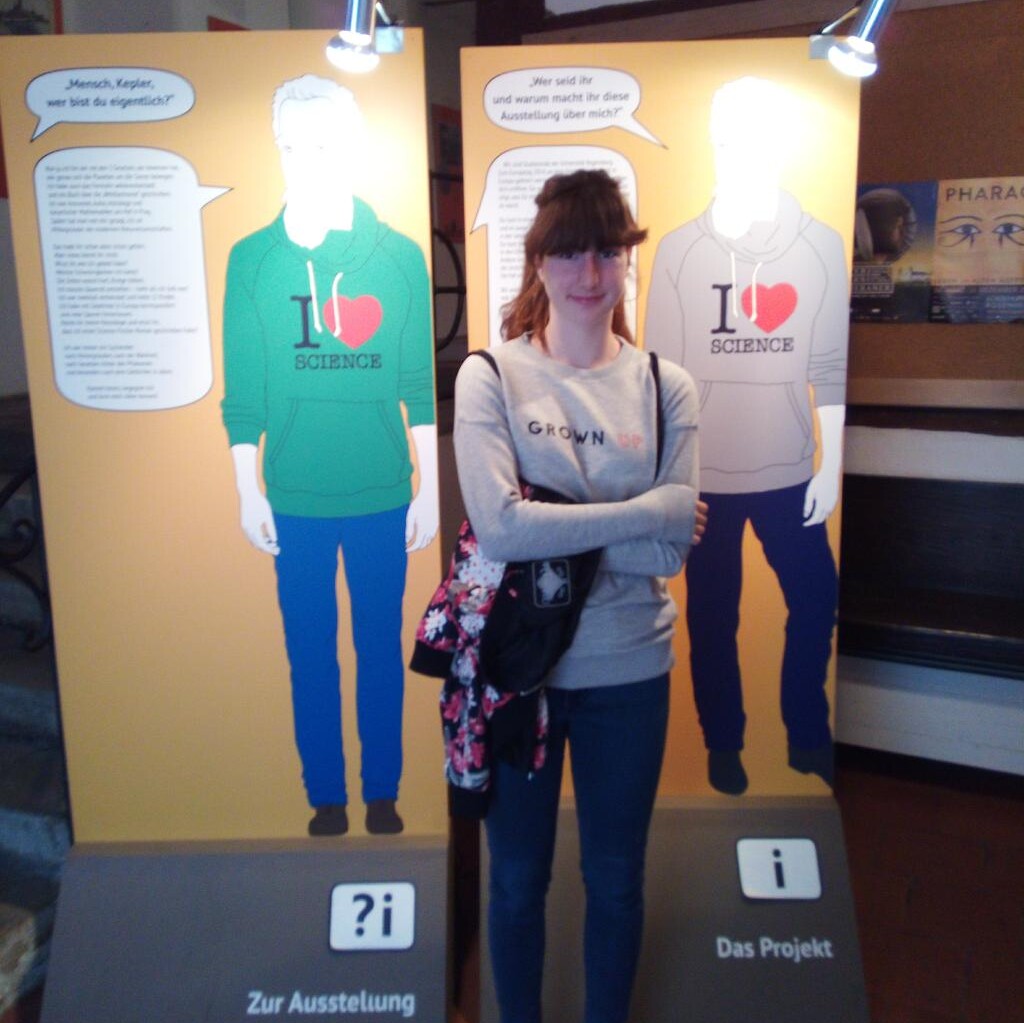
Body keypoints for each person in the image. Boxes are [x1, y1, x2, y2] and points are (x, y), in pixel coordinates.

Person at [454, 169, 706, 1023]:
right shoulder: (490, 377)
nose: (589, 272)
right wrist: (649, 509)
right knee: (517, 880)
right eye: (569, 252)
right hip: (519, 674)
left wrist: (557, 523)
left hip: (629, 670)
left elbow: (670, 551)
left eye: (606, 251)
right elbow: (501, 531)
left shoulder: (667, 387)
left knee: (617, 879)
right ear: (539, 261)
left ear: (626, 259)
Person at [221, 75, 438, 837]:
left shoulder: (398, 257)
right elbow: (244, 391)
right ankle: (325, 794)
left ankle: (382, 789)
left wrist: (428, 487)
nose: (304, 161)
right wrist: (247, 489)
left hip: (381, 489)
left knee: (380, 646)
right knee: (309, 651)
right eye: (290, 146)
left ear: (349, 149)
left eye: (321, 146)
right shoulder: (252, 260)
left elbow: (418, 382)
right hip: (294, 495)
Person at [645, 76, 848, 794]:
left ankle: (807, 733)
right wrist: (669, 479)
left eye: (756, 140)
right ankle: (723, 743)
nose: (740, 154)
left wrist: (830, 463)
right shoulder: (679, 250)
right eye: (728, 140)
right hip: (706, 477)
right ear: (714, 143)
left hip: (791, 466)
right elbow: (661, 377)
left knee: (816, 598)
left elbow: (830, 362)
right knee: (712, 616)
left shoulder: (820, 245)